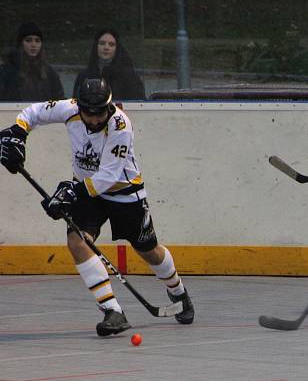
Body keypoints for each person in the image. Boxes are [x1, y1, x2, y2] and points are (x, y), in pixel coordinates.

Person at [0, 78, 193, 336]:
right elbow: (33, 113)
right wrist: (18, 132)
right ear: (79, 106)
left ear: (109, 107)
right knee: (77, 242)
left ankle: (178, 290)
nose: (93, 119)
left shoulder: (120, 126)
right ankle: (112, 310)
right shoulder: (69, 109)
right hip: (87, 192)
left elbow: (108, 176)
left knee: (149, 251)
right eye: (87, 113)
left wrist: (71, 191)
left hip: (125, 193)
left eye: (99, 112)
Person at [73, 28, 145, 101]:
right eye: (102, 43)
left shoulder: (129, 77)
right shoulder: (84, 76)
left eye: (111, 44)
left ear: (117, 49)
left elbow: (139, 105)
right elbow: (75, 104)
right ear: (96, 46)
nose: (106, 47)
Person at [0, 22, 64, 102]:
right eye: (28, 40)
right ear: (20, 43)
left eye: (37, 41)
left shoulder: (49, 72)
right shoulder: (7, 71)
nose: (33, 45)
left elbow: (59, 100)